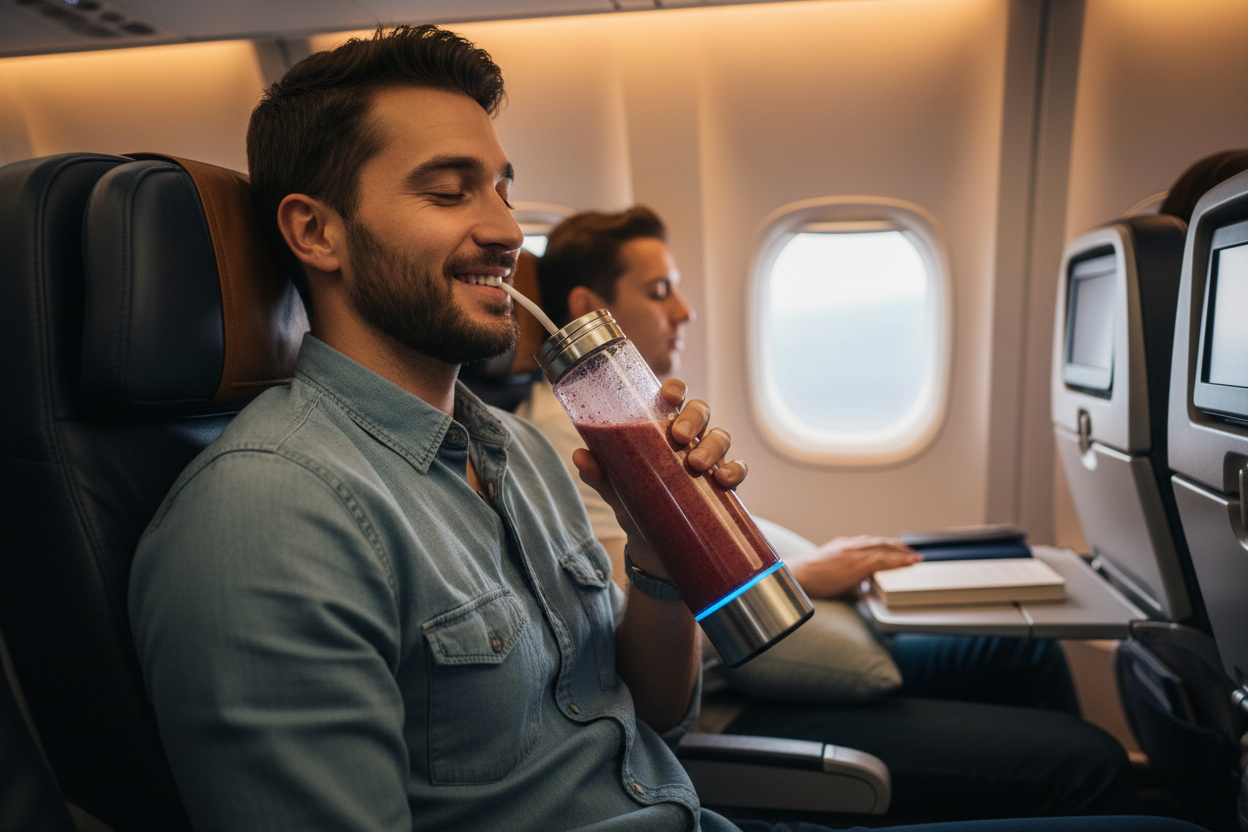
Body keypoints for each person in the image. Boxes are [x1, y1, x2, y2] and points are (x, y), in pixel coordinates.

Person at [128, 25, 1204, 832]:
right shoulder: (269, 520)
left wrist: (658, 560)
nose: (506, 230)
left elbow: (654, 713)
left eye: (503, 189)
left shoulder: (515, 454)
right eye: (450, 193)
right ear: (316, 230)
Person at [521, 206, 1137, 822]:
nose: (685, 309)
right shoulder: (571, 448)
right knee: (1089, 762)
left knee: (1030, 655)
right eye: (660, 292)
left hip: (799, 635)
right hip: (739, 696)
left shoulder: (641, 414)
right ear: (585, 308)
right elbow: (633, 628)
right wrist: (807, 575)